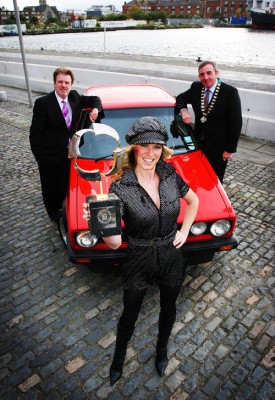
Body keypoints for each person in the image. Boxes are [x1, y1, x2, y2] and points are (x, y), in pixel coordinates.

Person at [83, 116, 199, 386]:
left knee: (169, 309)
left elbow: (193, 201)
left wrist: (184, 232)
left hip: (171, 255)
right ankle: (118, 360)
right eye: (144, 146)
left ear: (163, 150)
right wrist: (98, 221)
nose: (150, 152)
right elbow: (113, 243)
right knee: (129, 315)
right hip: (139, 257)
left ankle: (161, 351)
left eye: (156, 147)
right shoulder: (120, 187)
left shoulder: (169, 173)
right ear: (134, 147)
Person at [29, 67, 103, 222]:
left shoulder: (74, 97)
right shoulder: (43, 103)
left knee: (65, 184)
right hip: (50, 155)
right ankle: (54, 215)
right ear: (54, 83)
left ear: (71, 84)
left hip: (71, 154)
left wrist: (95, 109)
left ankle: (66, 210)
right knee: (50, 187)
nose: (63, 85)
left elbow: (94, 99)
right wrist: (41, 158)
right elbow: (35, 134)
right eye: (60, 82)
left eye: (66, 82)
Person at [176, 60, 242, 183]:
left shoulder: (230, 92)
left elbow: (236, 123)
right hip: (197, 144)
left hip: (219, 148)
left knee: (214, 179)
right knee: (196, 176)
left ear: (216, 73)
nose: (205, 77)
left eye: (209, 73)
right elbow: (181, 98)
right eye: (202, 74)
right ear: (199, 76)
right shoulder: (196, 87)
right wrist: (184, 111)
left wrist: (230, 149)